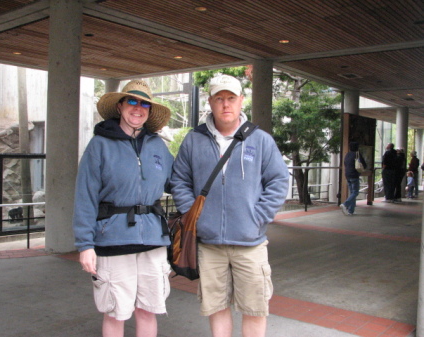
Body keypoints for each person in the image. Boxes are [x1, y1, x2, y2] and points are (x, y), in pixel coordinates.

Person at [170, 74, 289, 337]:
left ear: (241, 101)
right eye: (219, 98)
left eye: (231, 98)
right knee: (217, 308)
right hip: (209, 244)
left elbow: (279, 180)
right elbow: (179, 179)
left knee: (255, 309)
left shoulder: (260, 140)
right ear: (210, 102)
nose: (226, 105)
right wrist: (194, 216)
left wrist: (257, 217)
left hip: (250, 244)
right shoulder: (194, 139)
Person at [72, 79, 173, 337]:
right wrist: (85, 245)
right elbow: (85, 196)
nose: (137, 108)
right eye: (131, 101)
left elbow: (179, 182)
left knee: (149, 310)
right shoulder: (99, 145)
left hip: (152, 240)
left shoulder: (158, 146)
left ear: (149, 111)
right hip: (112, 238)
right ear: (120, 106)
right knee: (116, 311)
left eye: (144, 104)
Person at [340, 141, 367, 215]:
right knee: (355, 192)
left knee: (352, 192)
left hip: (347, 175)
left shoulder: (347, 154)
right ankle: (345, 204)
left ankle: (351, 211)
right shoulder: (357, 155)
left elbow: (345, 164)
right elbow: (364, 164)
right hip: (354, 175)